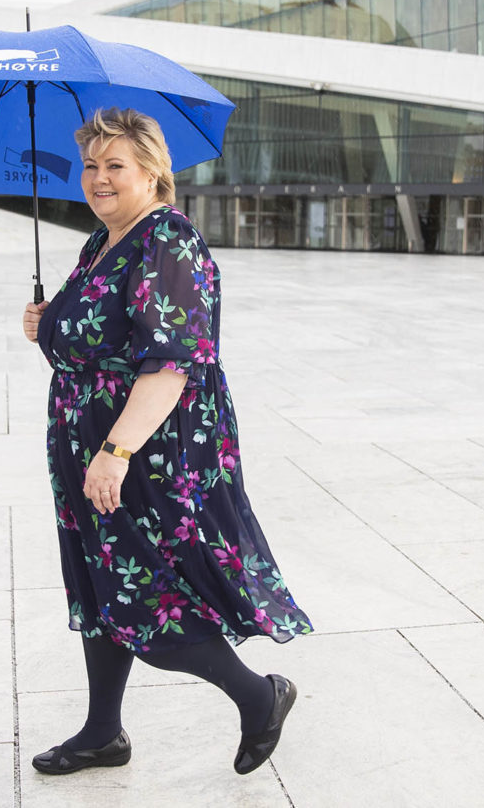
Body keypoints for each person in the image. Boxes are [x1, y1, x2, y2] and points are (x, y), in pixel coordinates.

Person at [20, 107, 312, 777]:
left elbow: (171, 363)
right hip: (88, 446)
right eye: (91, 166)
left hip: (145, 453)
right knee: (100, 587)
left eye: (114, 165)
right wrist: (50, 327)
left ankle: (258, 695)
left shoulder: (166, 242)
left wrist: (115, 452)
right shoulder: (101, 244)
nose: (98, 178)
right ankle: (101, 732)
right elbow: (98, 352)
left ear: (153, 172)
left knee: (146, 596)